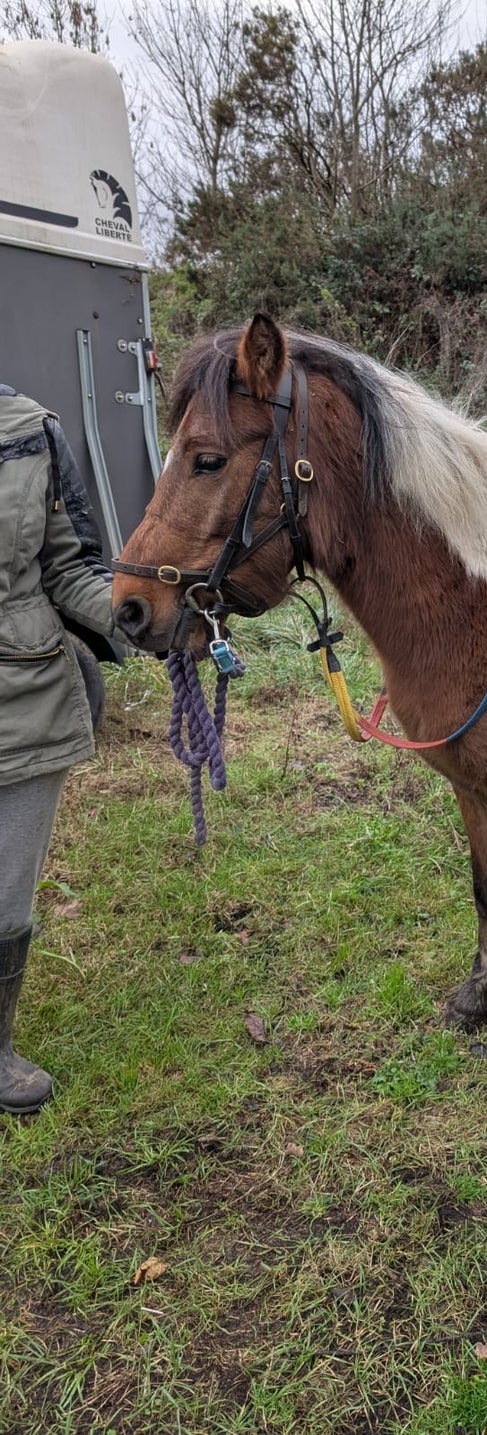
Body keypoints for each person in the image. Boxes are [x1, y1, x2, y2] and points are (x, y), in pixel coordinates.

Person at [0, 383, 117, 1114]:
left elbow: (69, 568)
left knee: (7, 901)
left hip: (24, 698)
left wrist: (146, 618)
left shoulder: (30, 430)